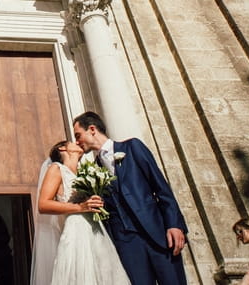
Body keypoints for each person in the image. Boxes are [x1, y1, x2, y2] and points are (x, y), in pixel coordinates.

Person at [73, 111, 188, 285]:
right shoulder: (92, 170)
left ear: (92, 129)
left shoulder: (132, 147)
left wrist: (174, 224)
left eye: (78, 135)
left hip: (157, 233)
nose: (77, 141)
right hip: (127, 244)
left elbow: (161, 188)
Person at [30, 140, 131, 285]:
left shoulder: (85, 172)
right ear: (62, 148)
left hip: (96, 228)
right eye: (72, 141)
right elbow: (43, 204)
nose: (78, 142)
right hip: (76, 229)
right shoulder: (56, 168)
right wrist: (80, 207)